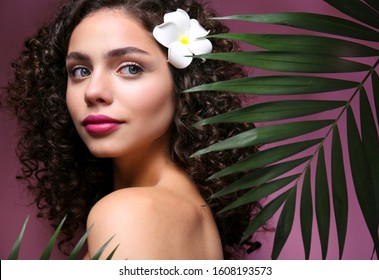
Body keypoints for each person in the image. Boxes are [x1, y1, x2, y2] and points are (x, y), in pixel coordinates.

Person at [3, 0, 260, 259]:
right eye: (81, 71)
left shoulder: (129, 213)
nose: (93, 92)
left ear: (183, 84)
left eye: (130, 68)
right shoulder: (184, 208)